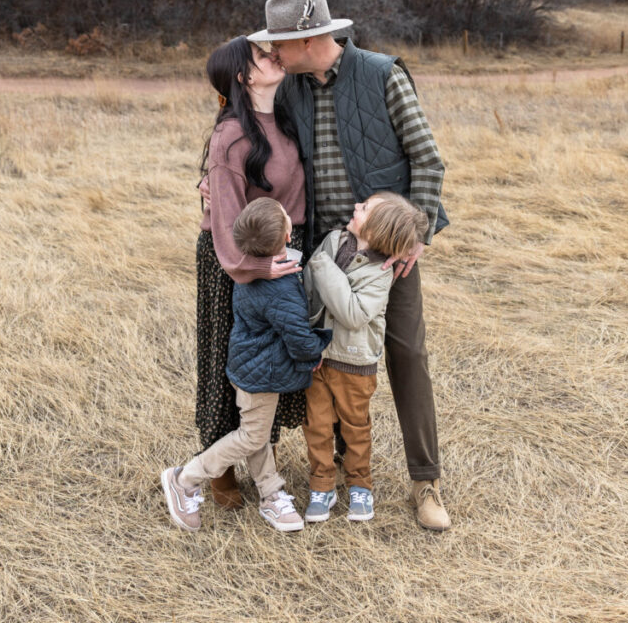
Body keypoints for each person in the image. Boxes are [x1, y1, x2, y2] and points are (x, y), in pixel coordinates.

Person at [248, 0, 452, 531]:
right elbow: (257, 137)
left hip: (389, 248)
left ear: (309, 39)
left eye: (280, 45)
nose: (274, 56)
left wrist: (417, 235)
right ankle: (339, 472)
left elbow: (427, 160)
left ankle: (425, 482)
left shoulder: (384, 74)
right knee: (331, 361)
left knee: (407, 354)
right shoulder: (289, 89)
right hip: (324, 251)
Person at [162, 198, 331, 533]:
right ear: (287, 236)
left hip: (247, 364)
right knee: (252, 436)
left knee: (258, 433)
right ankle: (185, 478)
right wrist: (315, 353)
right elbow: (298, 338)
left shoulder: (249, 270)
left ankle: (271, 493)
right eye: (287, 218)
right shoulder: (279, 287)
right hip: (263, 375)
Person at [193, 36, 308, 511]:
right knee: (230, 360)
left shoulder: (283, 115)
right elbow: (224, 223)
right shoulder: (231, 135)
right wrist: (256, 266)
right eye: (262, 56)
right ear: (243, 76)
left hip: (283, 249)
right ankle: (217, 470)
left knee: (272, 357)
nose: (273, 56)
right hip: (235, 261)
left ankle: (263, 455)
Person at [302, 192, 428, 524]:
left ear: (378, 230)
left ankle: (360, 484)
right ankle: (322, 484)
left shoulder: (380, 273)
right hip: (318, 359)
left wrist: (320, 265)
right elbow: (310, 291)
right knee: (316, 425)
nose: (355, 207)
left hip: (354, 365)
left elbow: (353, 314)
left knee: (355, 427)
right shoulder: (333, 241)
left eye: (364, 208)